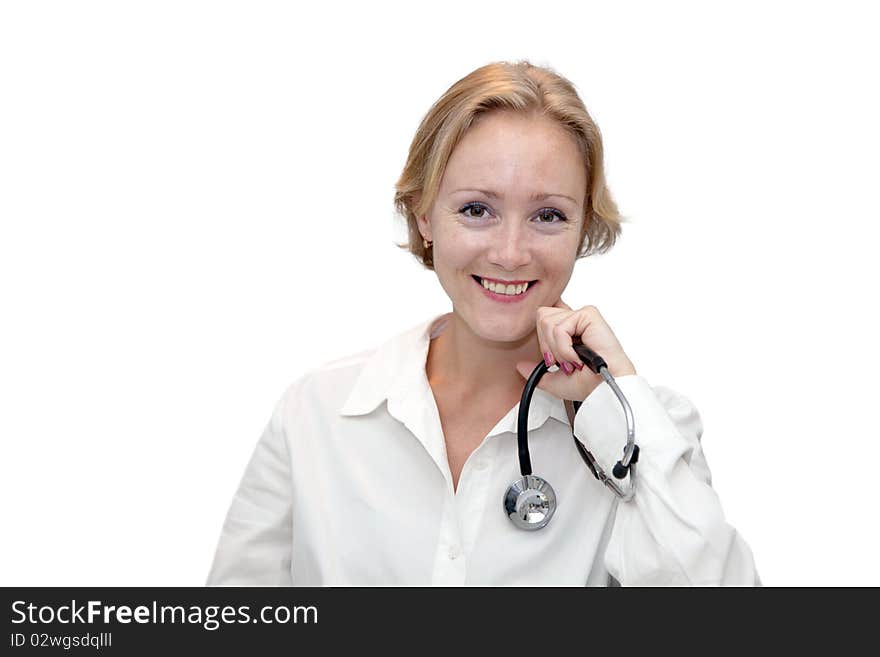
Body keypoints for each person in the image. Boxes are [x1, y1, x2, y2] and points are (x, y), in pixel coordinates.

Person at [206, 60, 761, 586]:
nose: (511, 252)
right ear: (424, 214)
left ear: (583, 230)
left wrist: (615, 405)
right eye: (477, 209)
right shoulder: (316, 414)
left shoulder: (645, 430)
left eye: (549, 215)